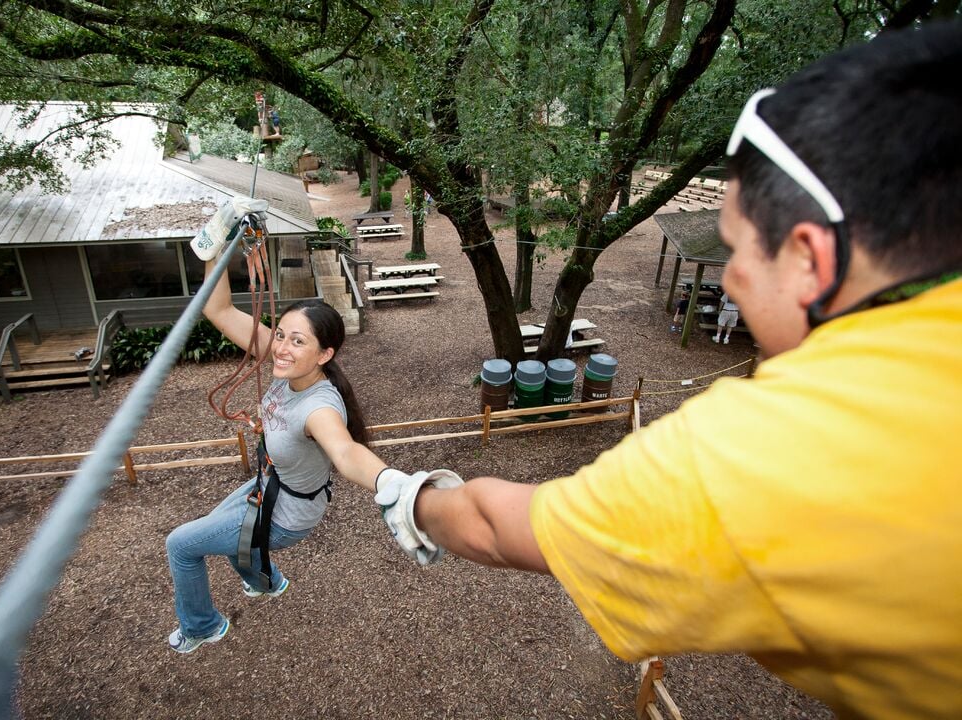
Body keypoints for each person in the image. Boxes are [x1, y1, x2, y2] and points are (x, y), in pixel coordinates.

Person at [375, 22, 961, 719]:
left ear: (809, 257)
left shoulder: (781, 451)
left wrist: (416, 499)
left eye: (739, 248)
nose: (733, 282)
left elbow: (498, 528)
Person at [165, 243, 389, 654]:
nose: (281, 347)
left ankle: (201, 627)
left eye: (297, 341)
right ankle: (267, 581)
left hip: (289, 513)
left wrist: (392, 483)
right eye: (281, 333)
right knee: (224, 532)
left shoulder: (319, 406)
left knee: (181, 544)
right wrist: (215, 246)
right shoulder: (289, 362)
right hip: (268, 484)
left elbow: (346, 452)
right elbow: (218, 311)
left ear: (324, 354)